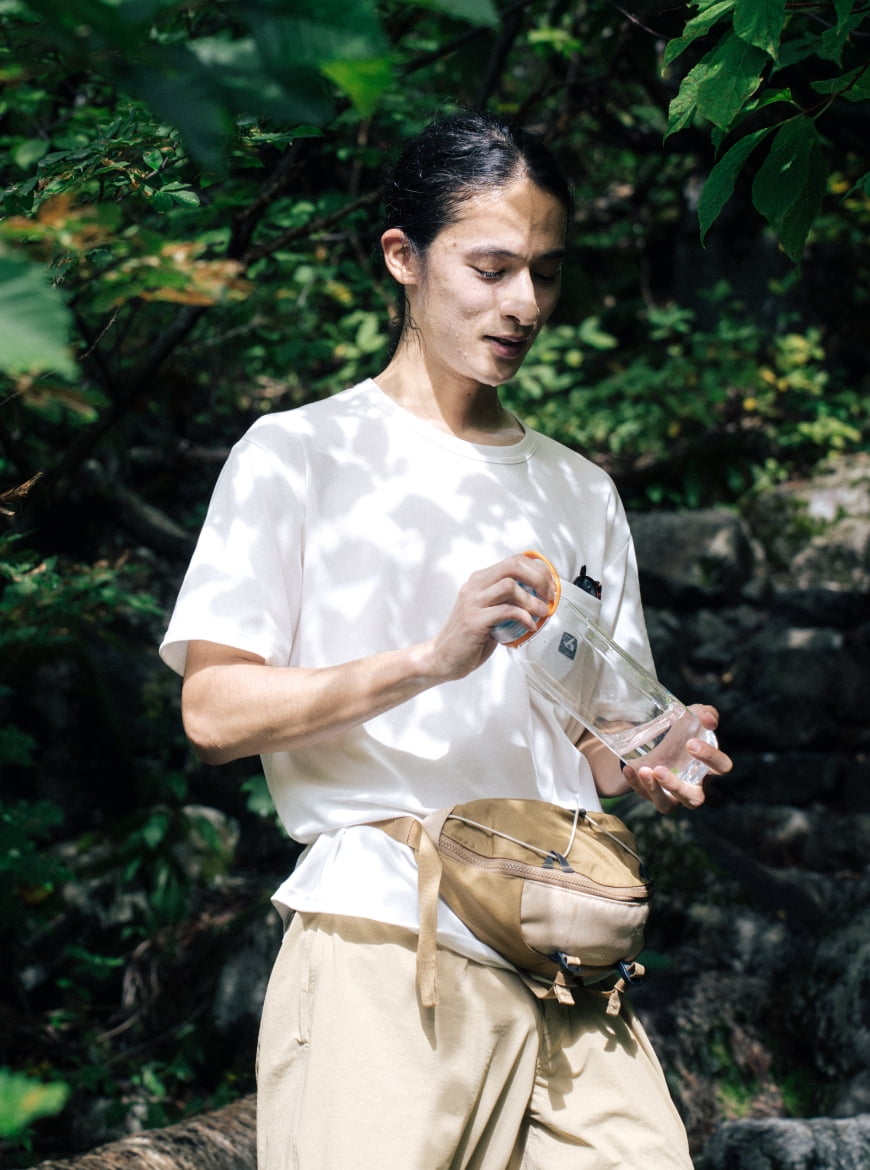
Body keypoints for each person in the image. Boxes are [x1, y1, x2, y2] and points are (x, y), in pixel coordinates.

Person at [160, 108, 732, 1170]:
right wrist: (429, 660)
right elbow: (213, 712)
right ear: (403, 257)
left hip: (570, 956)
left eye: (546, 274)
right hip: (387, 945)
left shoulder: (580, 489)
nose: (525, 304)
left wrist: (652, 754)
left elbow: (594, 747)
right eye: (492, 268)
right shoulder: (298, 456)